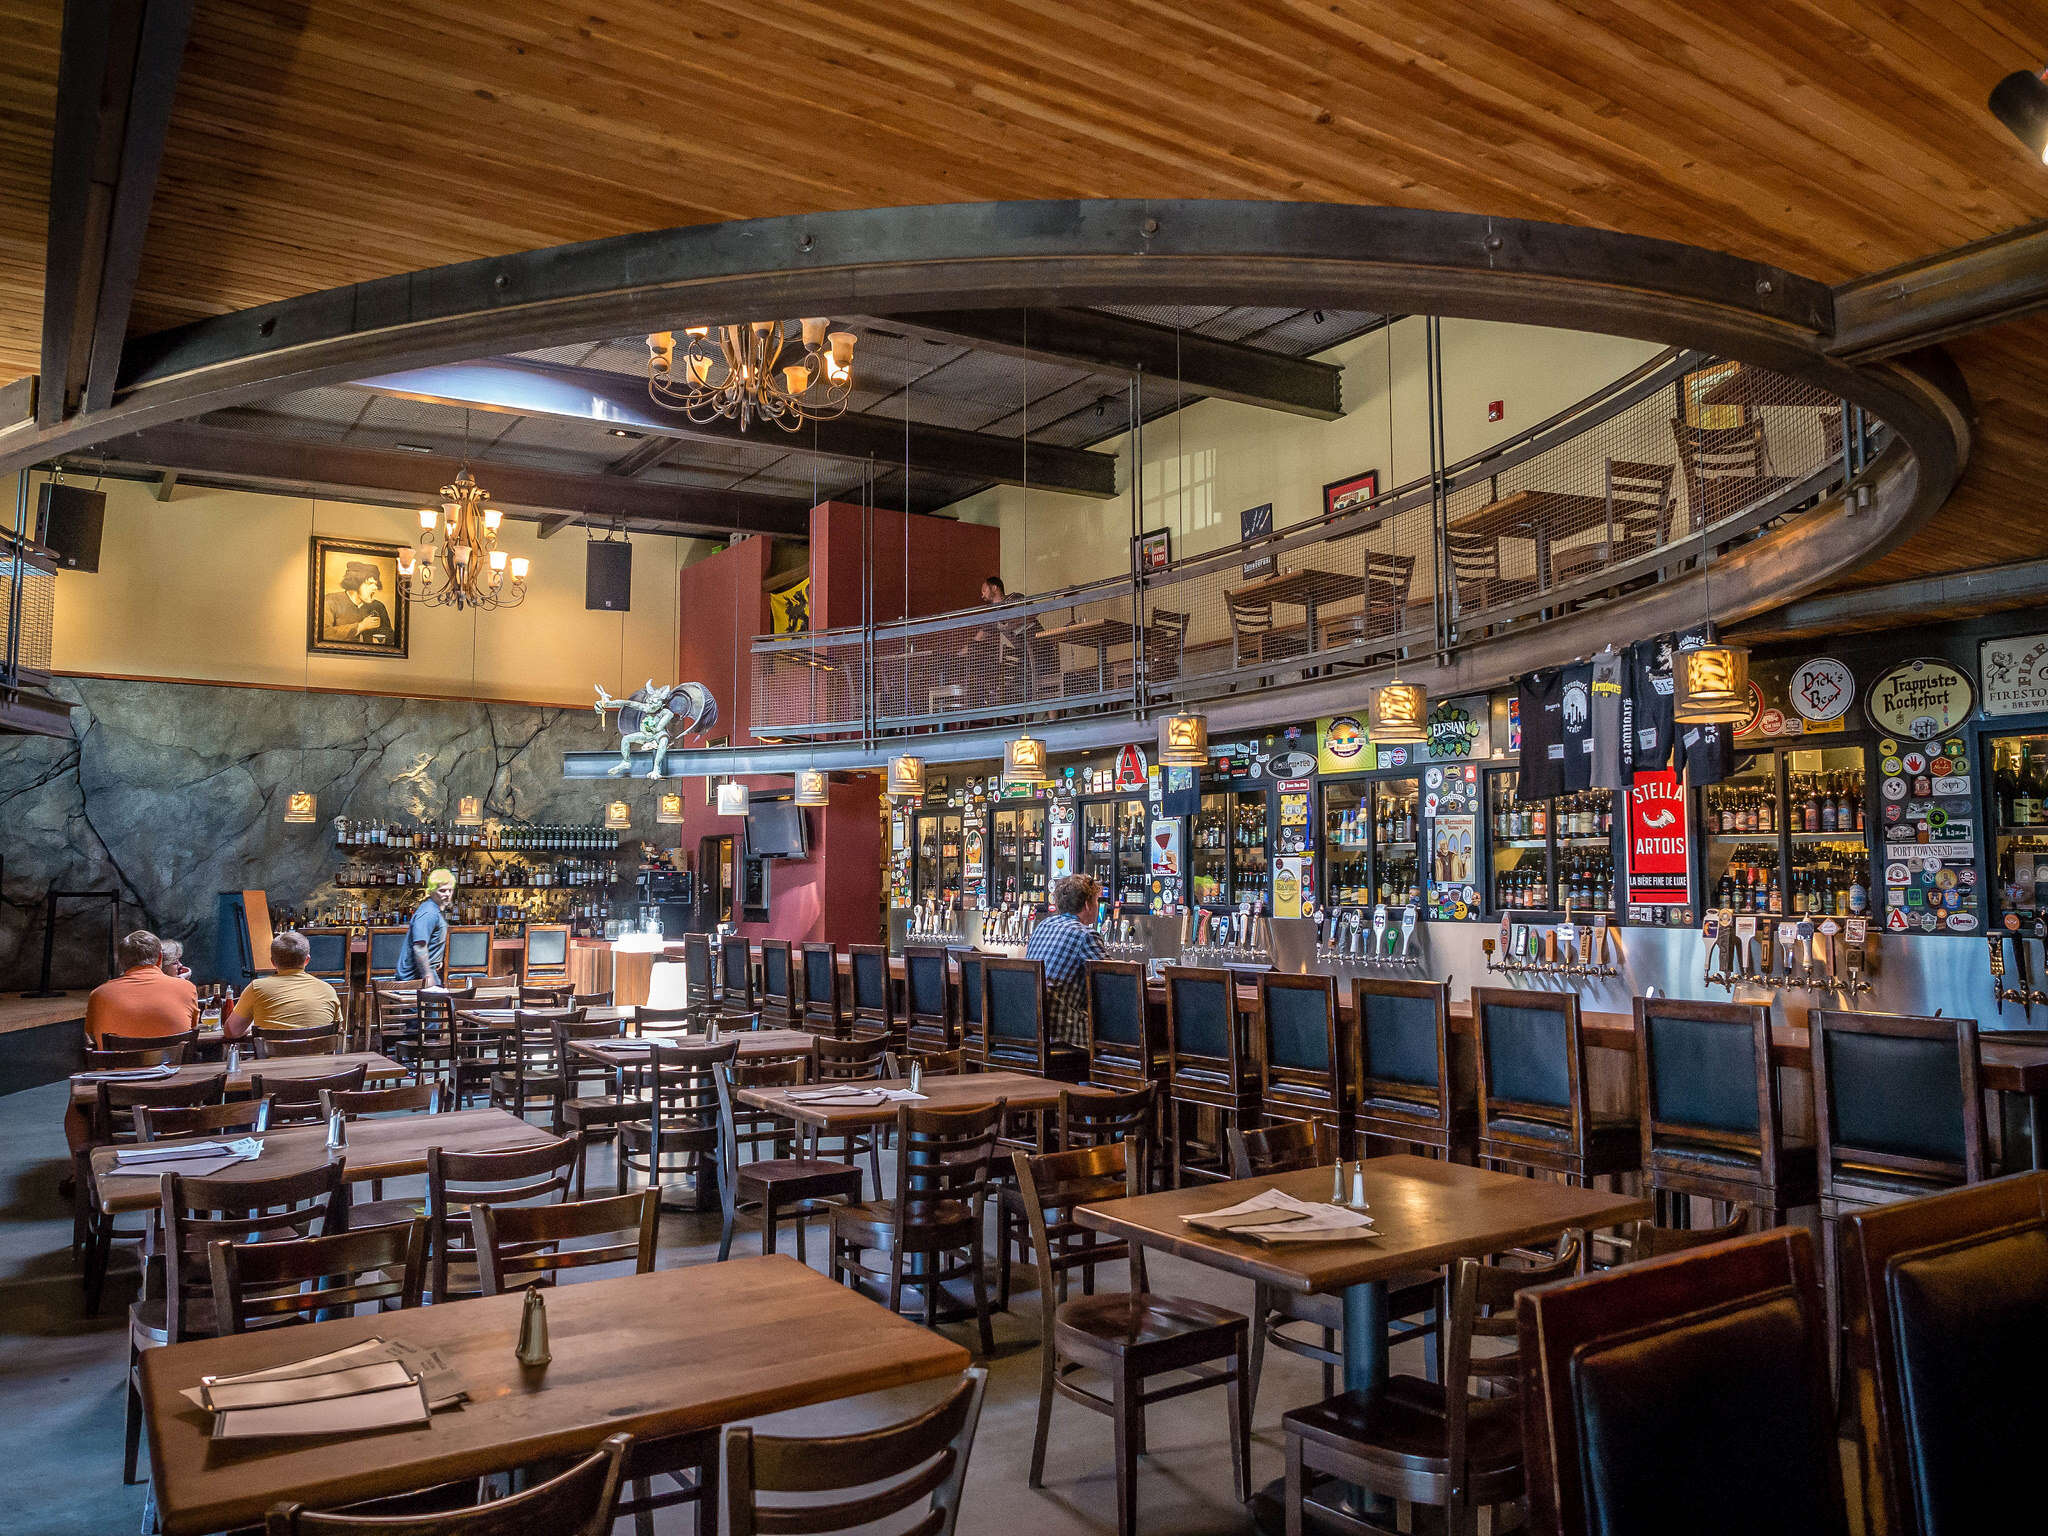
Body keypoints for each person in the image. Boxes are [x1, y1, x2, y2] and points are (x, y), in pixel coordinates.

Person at [1025, 873, 1106, 1048]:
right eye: (1096, 901)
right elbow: (1112, 982)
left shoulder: (1043, 926)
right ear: (1087, 905)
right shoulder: (1086, 935)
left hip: (1030, 1028)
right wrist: (1129, 969)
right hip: (1062, 1032)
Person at [84, 930, 200, 1047]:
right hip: (173, 1059)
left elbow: (93, 1038)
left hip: (118, 1059)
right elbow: (192, 1030)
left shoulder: (99, 995)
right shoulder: (186, 988)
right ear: (160, 958)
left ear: (121, 962)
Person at [224, 930, 342, 1040]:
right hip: (317, 1056)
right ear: (307, 960)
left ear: (273, 962)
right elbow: (338, 1030)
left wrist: (252, 1027)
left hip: (272, 1056)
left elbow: (231, 1032)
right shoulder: (328, 990)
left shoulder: (257, 988)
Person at [396, 869, 456, 987]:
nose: (447, 894)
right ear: (431, 891)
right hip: (414, 980)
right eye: (442, 890)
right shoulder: (429, 913)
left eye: (450, 890)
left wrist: (436, 960)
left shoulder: (434, 910)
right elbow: (419, 947)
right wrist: (427, 975)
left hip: (423, 975)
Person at [322, 561, 395, 645]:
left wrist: (382, 639)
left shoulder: (378, 606)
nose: (375, 587)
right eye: (370, 583)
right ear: (355, 584)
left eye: (375, 584)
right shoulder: (331, 601)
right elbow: (324, 633)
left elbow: (390, 635)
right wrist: (361, 626)